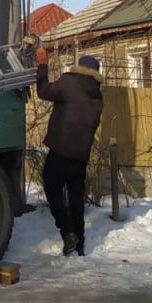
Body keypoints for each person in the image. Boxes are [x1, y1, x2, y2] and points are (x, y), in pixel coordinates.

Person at [35, 45, 103, 257]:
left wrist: (42, 64)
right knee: (76, 200)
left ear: (79, 67)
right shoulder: (98, 97)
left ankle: (67, 233)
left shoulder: (69, 82)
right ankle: (79, 245)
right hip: (80, 157)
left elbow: (43, 91)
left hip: (61, 152)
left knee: (52, 189)